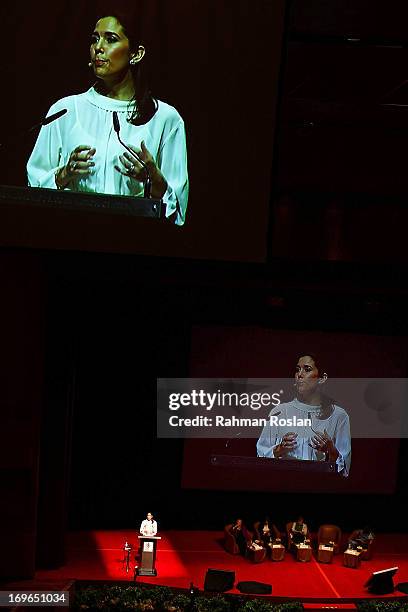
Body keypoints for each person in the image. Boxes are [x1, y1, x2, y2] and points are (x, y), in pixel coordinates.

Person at [27, 12, 188, 225]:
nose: (98, 48)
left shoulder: (165, 119)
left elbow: (178, 214)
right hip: (68, 233)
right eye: (95, 39)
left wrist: (155, 180)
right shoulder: (65, 110)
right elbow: (32, 190)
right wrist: (64, 174)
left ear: (136, 54)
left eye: (110, 39)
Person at [256, 354, 351, 477]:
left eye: (307, 369)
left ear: (322, 378)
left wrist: (331, 451)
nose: (299, 375)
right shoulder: (279, 412)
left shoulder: (339, 416)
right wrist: (279, 449)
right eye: (297, 370)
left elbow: (344, 471)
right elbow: (260, 455)